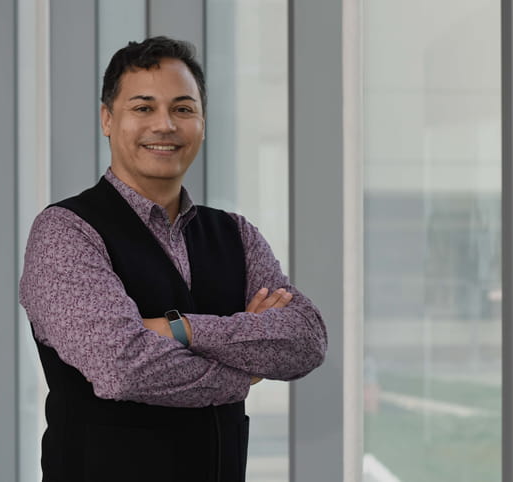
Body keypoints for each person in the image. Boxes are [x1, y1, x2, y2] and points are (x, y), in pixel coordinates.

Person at [19, 36, 327, 482]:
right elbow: (123, 367)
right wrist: (247, 371)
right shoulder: (67, 231)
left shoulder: (236, 234)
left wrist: (179, 329)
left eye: (183, 109)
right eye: (143, 108)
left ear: (202, 122)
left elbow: (305, 339)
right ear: (108, 119)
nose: (164, 124)